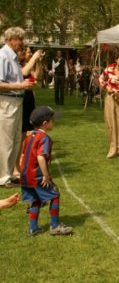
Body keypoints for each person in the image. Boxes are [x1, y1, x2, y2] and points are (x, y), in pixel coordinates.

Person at [20, 106, 73, 235]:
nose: (53, 122)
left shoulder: (29, 136)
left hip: (25, 175)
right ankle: (55, 226)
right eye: (52, 120)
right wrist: (45, 175)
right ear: (45, 123)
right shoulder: (44, 138)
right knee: (55, 194)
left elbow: (23, 154)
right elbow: (40, 157)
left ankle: (33, 228)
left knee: (36, 199)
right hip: (37, 175)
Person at [0, 27, 36, 188]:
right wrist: (20, 85)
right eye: (19, 39)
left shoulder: (12, 57)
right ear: (10, 39)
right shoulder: (3, 56)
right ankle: (3, 177)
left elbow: (20, 74)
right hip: (7, 101)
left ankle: (10, 174)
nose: (21, 42)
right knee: (6, 140)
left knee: (15, 140)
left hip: (17, 101)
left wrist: (23, 84)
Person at [13, 46, 44, 177]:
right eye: (28, 52)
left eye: (31, 52)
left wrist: (38, 61)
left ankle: (19, 163)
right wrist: (34, 58)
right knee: (18, 136)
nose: (30, 54)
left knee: (24, 133)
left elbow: (38, 76)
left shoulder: (26, 64)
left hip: (29, 99)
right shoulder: (16, 64)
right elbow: (22, 73)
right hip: (20, 100)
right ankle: (15, 168)